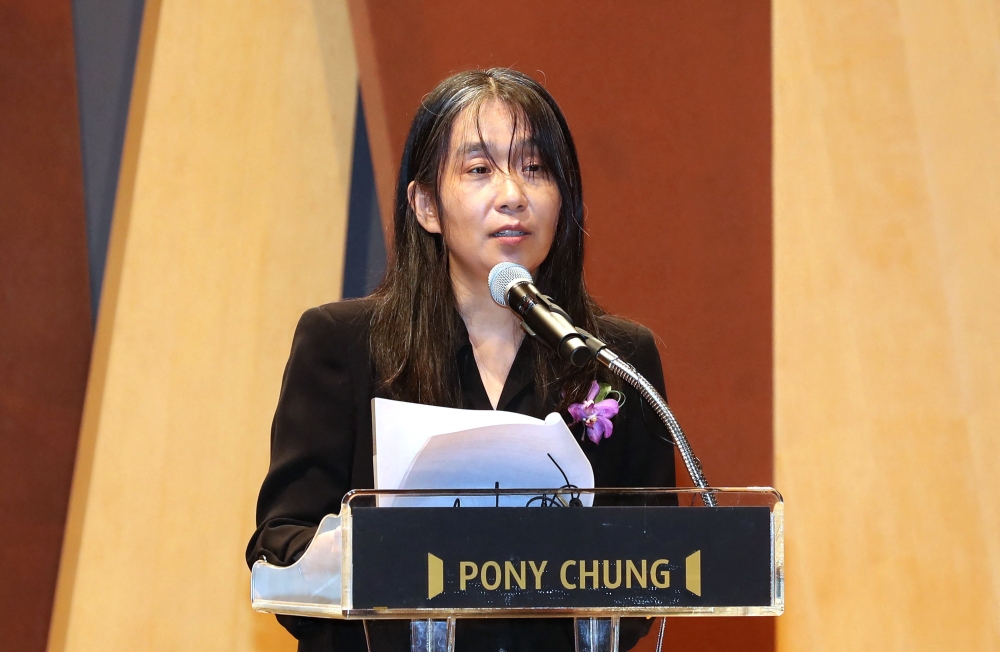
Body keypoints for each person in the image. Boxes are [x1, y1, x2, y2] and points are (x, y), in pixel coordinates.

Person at [246, 68, 676, 652]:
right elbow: (279, 547)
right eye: (479, 170)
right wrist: (384, 554)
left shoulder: (618, 360)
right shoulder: (343, 345)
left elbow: (656, 564)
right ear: (426, 204)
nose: (513, 195)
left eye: (535, 169)